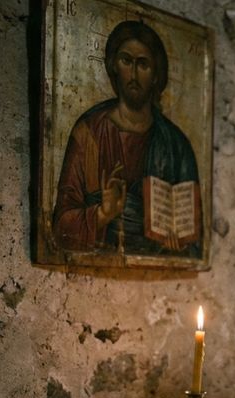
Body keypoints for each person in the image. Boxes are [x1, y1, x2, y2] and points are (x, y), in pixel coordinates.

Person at [52, 20, 201, 257]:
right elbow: (61, 226)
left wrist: (180, 242)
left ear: (156, 74)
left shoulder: (176, 145)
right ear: (113, 65)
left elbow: (194, 241)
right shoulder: (89, 132)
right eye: (126, 61)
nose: (133, 74)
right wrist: (103, 214)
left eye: (143, 64)